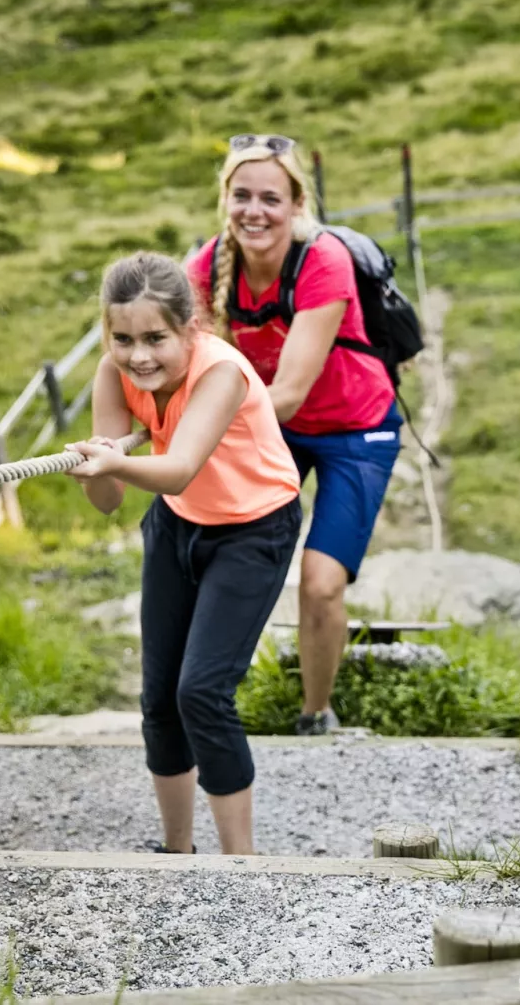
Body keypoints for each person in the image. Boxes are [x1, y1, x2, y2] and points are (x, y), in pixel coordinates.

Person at [69, 252, 302, 856]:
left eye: (155, 338)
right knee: (160, 695)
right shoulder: (111, 373)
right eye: (123, 339)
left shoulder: (220, 372)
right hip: (178, 525)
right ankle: (177, 852)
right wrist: (96, 467)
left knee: (201, 691)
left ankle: (241, 862)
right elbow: (109, 500)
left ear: (188, 328)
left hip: (253, 530)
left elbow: (176, 469)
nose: (138, 355)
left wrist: (115, 458)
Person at [186, 133, 401, 736]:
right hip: (274, 429)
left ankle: (315, 714)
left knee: (321, 582)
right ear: (225, 200)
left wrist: (198, 427)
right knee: (226, 555)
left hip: (355, 430)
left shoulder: (322, 260)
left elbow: (289, 394)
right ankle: (208, 697)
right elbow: (181, 366)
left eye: (271, 199)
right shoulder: (204, 267)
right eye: (242, 195)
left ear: (297, 205)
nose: (255, 211)